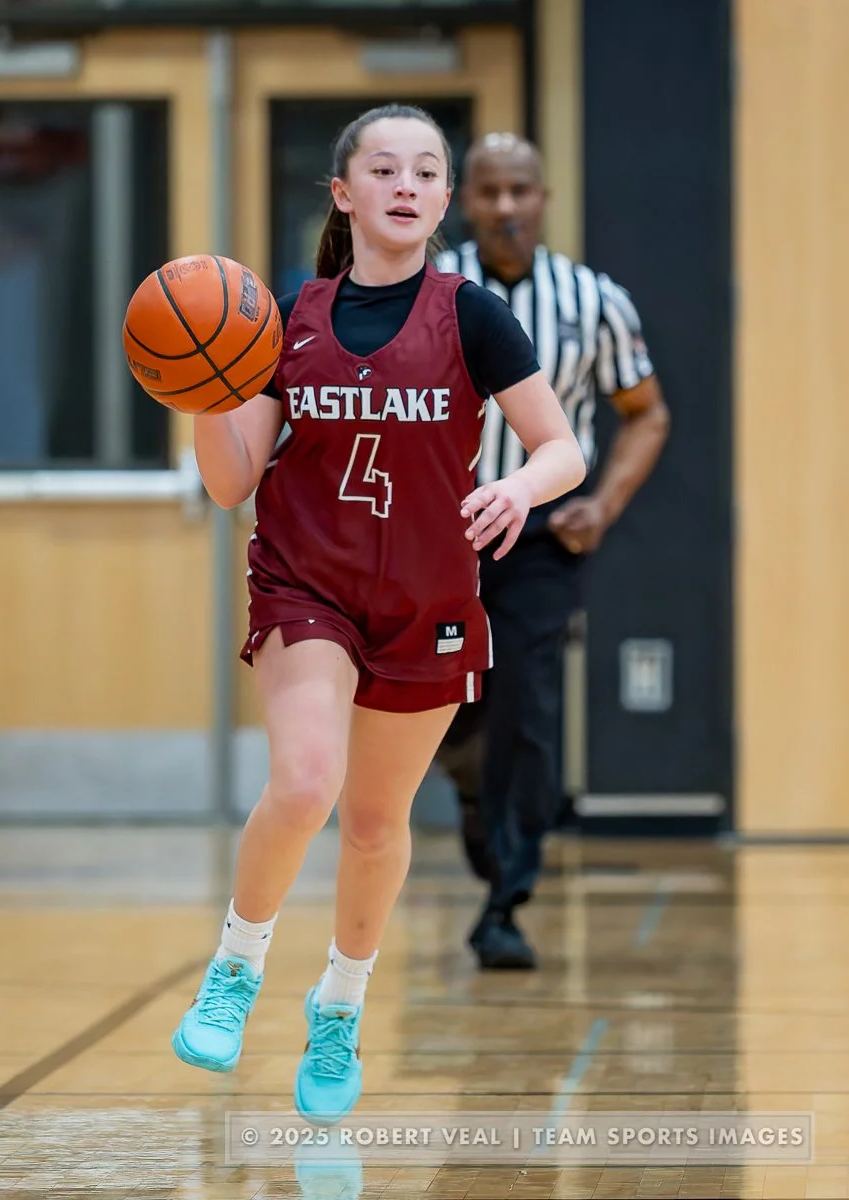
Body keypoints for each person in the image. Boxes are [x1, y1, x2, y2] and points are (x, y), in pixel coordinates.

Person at [170, 106, 586, 1125]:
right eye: (384, 168)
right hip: (307, 587)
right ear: (343, 194)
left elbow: (561, 448)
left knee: (373, 823)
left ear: (442, 199)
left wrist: (520, 490)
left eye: (425, 171)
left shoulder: (473, 316)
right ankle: (236, 964)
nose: (407, 184)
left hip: (425, 598)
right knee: (306, 780)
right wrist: (198, 387)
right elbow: (232, 484)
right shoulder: (285, 320)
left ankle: (340, 1006)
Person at [435, 132, 670, 971]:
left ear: (543, 198)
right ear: (467, 200)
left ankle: (506, 898)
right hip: (441, 535)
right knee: (454, 715)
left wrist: (602, 503)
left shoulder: (592, 300)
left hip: (537, 537)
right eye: (490, 191)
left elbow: (646, 410)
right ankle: (469, 789)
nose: (505, 207)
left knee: (527, 712)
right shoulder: (432, 291)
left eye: (520, 191)